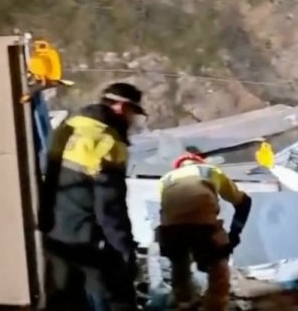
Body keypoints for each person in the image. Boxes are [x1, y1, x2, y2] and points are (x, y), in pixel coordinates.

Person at [39, 82, 145, 311]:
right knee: (116, 300)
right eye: (132, 113)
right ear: (120, 107)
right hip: (90, 243)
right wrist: (125, 253)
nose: (132, 121)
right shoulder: (107, 142)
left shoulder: (66, 129)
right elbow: (110, 209)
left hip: (56, 238)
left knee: (63, 302)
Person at [156, 152, 252, 310]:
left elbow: (169, 207)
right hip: (203, 227)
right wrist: (235, 234)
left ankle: (184, 303)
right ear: (198, 161)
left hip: (169, 230)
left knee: (179, 265)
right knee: (218, 269)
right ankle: (215, 305)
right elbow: (241, 201)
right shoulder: (209, 170)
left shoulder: (165, 179)